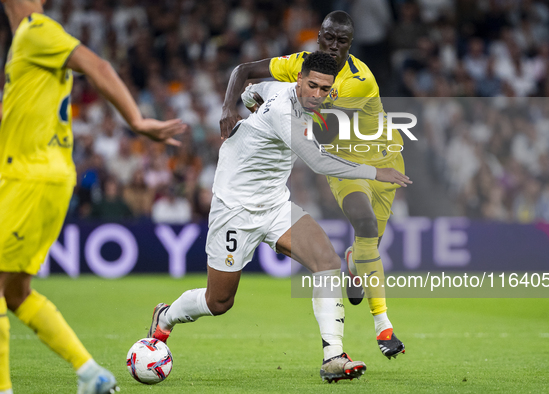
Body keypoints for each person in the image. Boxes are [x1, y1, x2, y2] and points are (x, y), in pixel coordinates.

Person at [149, 52, 411, 382]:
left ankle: (333, 356)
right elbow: (318, 163)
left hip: (275, 204)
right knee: (219, 301)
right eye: (311, 85)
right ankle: (166, 316)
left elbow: (251, 89)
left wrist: (242, 103)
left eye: (324, 89)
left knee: (327, 261)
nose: (317, 94)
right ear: (298, 80)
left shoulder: (275, 89)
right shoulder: (286, 114)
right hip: (235, 208)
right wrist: (375, 172)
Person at [0, 1, 186, 393]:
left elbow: (97, 66)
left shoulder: (36, 29)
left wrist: (136, 121)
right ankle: (90, 374)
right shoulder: (24, 42)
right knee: (16, 293)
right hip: (42, 176)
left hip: (29, 177)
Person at [220, 11, 406, 359]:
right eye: (328, 38)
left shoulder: (358, 81)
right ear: (319, 36)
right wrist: (230, 107)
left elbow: (320, 123)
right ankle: (383, 327)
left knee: (369, 243)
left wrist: (267, 102)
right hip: (344, 160)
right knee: (363, 223)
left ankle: (354, 262)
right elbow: (243, 71)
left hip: (381, 155)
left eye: (342, 41)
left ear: (351, 44)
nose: (334, 46)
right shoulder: (303, 64)